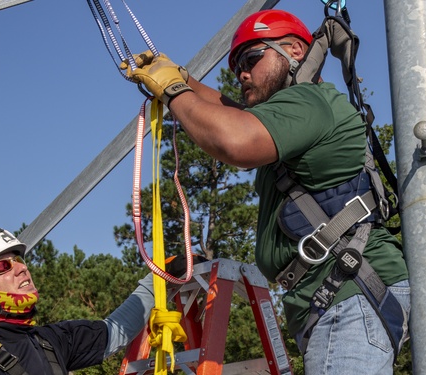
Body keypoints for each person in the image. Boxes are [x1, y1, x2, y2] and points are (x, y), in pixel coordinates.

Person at [123, 9, 410, 374]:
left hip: (350, 291)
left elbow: (235, 138)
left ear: (294, 50)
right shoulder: (296, 114)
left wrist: (175, 91)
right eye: (236, 67)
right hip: (340, 295)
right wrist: (184, 79)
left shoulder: (309, 102)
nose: (242, 73)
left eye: (251, 58)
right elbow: (231, 112)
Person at [0, 228, 154, 374]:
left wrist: (157, 279)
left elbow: (115, 331)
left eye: (19, 260)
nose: (21, 268)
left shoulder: (50, 341)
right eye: (3, 266)